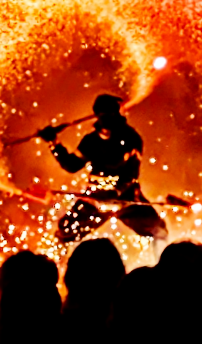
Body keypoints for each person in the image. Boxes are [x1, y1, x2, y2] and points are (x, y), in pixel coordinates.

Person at [39, 94, 166, 243]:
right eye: (103, 116)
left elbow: (131, 174)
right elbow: (71, 165)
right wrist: (54, 143)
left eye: (110, 116)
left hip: (126, 199)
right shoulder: (91, 141)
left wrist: (116, 192)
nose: (106, 123)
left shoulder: (131, 138)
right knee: (66, 231)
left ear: (116, 114)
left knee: (158, 231)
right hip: (95, 198)